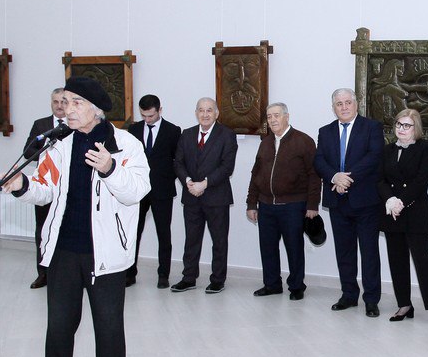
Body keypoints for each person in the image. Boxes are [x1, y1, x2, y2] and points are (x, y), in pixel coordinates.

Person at [3, 77, 149, 357]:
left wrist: (110, 169)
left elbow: (137, 191)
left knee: (109, 328)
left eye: (74, 102)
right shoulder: (58, 146)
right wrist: (23, 186)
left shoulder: (125, 145)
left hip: (107, 255)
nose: (66, 109)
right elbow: (45, 190)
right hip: (64, 252)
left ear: (95, 110)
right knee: (59, 327)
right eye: (64, 102)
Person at [314, 88, 385, 317]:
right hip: (337, 201)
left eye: (347, 102)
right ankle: (348, 295)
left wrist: (346, 179)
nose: (344, 107)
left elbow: (374, 157)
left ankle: (371, 299)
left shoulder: (372, 127)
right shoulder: (325, 132)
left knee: (369, 252)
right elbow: (319, 160)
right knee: (344, 252)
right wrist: (335, 177)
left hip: (365, 201)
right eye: (339, 104)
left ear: (356, 104)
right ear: (333, 107)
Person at [246, 102, 320, 300]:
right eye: (269, 116)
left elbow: (314, 175)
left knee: (294, 247)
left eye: (276, 115)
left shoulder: (303, 141)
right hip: (266, 205)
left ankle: (296, 286)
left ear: (287, 116)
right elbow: (255, 174)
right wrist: (251, 203)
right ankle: (271, 284)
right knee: (267, 247)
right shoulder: (265, 142)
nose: (272, 120)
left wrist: (312, 205)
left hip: (293, 206)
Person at [377, 109, 428, 328]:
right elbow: (380, 180)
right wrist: (390, 200)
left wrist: (401, 202)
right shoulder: (387, 149)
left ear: (416, 128)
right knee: (397, 261)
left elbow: (421, 181)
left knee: (423, 262)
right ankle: (404, 305)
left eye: (407, 125)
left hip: (415, 212)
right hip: (392, 213)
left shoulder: (426, 148)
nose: (401, 129)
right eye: (399, 124)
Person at [172, 97, 238, 294]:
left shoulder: (227, 135)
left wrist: (205, 183)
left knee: (219, 241)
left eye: (209, 110)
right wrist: (188, 181)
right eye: (201, 110)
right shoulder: (187, 134)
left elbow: (227, 167)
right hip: (191, 195)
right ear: (196, 113)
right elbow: (178, 162)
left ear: (216, 113)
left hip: (217, 197)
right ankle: (189, 278)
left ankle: (217, 280)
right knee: (191, 240)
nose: (205, 114)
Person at [125, 94, 182, 289]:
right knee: (134, 232)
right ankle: (129, 273)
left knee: (163, 233)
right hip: (138, 191)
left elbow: (178, 160)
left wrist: (167, 178)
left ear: (160, 110)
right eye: (143, 116)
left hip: (162, 190)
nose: (147, 119)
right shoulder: (133, 130)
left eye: (150, 115)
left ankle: (163, 274)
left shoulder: (173, 131)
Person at [23, 87, 66, 289]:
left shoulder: (75, 124)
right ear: (51, 103)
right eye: (55, 102)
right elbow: (27, 151)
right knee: (42, 229)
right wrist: (47, 147)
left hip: (67, 185)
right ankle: (43, 273)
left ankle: (66, 274)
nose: (59, 106)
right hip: (44, 184)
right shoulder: (41, 124)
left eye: (63, 102)